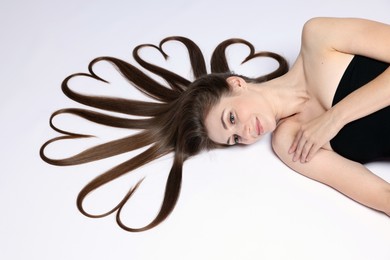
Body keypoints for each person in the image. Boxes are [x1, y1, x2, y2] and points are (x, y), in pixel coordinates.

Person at [40, 17, 390, 232]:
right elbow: (379, 194)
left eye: (231, 118)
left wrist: (334, 118)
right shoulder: (289, 142)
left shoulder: (319, 37)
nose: (245, 134)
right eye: (233, 138)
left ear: (236, 83)